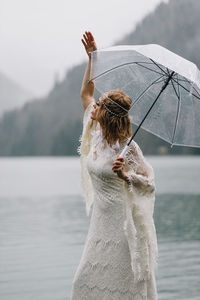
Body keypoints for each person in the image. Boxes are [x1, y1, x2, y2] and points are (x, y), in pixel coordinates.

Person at [70, 31, 158, 300]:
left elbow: (150, 184)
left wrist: (127, 176)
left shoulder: (127, 148)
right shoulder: (93, 130)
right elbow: (86, 91)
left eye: (99, 106)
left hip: (122, 228)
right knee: (83, 283)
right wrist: (92, 58)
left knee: (125, 289)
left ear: (108, 117)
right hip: (100, 225)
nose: (93, 106)